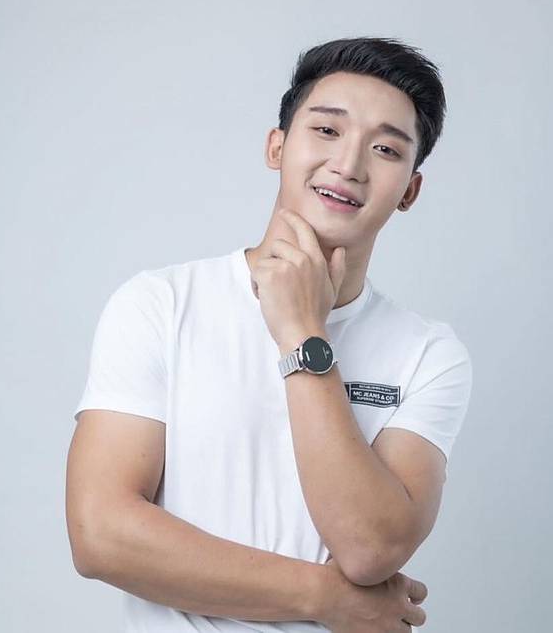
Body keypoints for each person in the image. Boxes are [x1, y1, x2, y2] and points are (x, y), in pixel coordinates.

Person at [66, 36, 473, 632]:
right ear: (277, 147)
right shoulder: (160, 304)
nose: (349, 165)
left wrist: (302, 333)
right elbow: (100, 534)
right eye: (327, 130)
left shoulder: (428, 355)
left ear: (409, 189)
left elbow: (370, 548)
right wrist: (321, 597)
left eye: (386, 149)